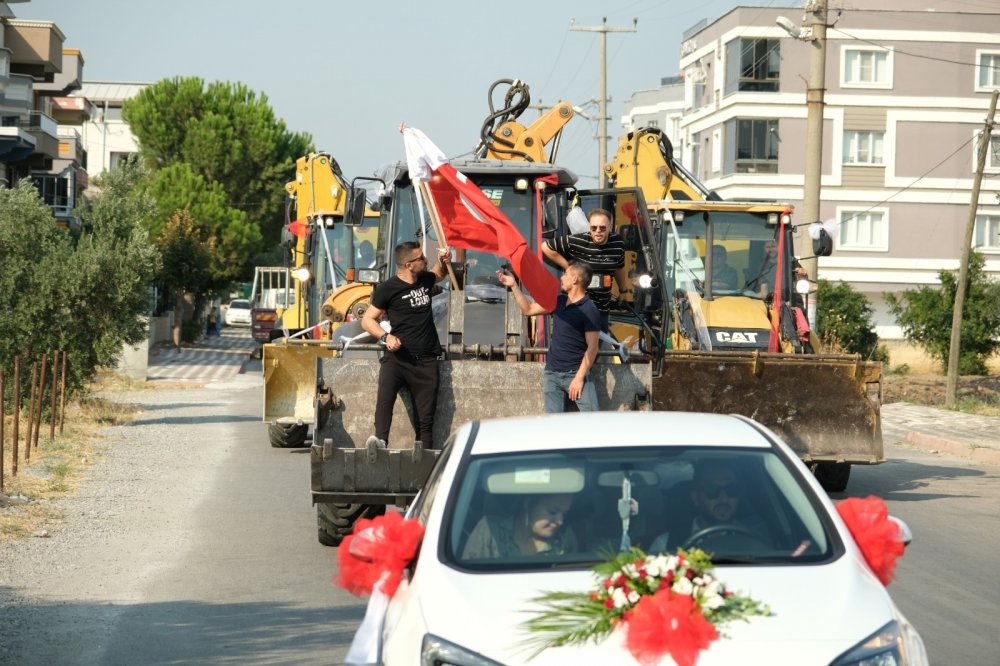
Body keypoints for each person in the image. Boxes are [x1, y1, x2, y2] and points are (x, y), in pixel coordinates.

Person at [361, 242, 450, 449]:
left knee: (426, 421)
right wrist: (386, 337)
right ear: (409, 265)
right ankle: (380, 441)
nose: (425, 260)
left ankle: (424, 458)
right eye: (421, 258)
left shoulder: (425, 279)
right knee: (384, 398)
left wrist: (444, 262)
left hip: (427, 360)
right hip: (398, 358)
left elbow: (439, 273)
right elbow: (367, 320)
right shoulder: (387, 288)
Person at [497, 261, 601, 413]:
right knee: (552, 426)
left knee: (594, 420)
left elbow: (592, 348)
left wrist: (579, 379)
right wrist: (513, 286)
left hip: (576, 374)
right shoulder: (558, 301)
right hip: (552, 374)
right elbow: (529, 309)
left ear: (575, 280)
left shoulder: (590, 310)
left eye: (565, 274)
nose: (561, 278)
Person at [543, 208, 629, 331]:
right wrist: (570, 268)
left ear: (610, 227)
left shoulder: (618, 243)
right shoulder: (578, 241)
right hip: (577, 307)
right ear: (589, 227)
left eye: (602, 228)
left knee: (595, 348)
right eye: (594, 228)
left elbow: (619, 268)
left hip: (601, 309)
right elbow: (545, 247)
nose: (598, 231)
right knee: (576, 347)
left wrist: (623, 291)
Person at [649, 460, 763, 553]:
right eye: (712, 490)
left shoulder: (756, 538)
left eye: (731, 489)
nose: (723, 498)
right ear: (696, 498)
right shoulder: (666, 544)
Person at [462, 494, 577, 560]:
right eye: (552, 512)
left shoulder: (564, 537)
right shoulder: (490, 529)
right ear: (528, 504)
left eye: (564, 514)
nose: (560, 521)